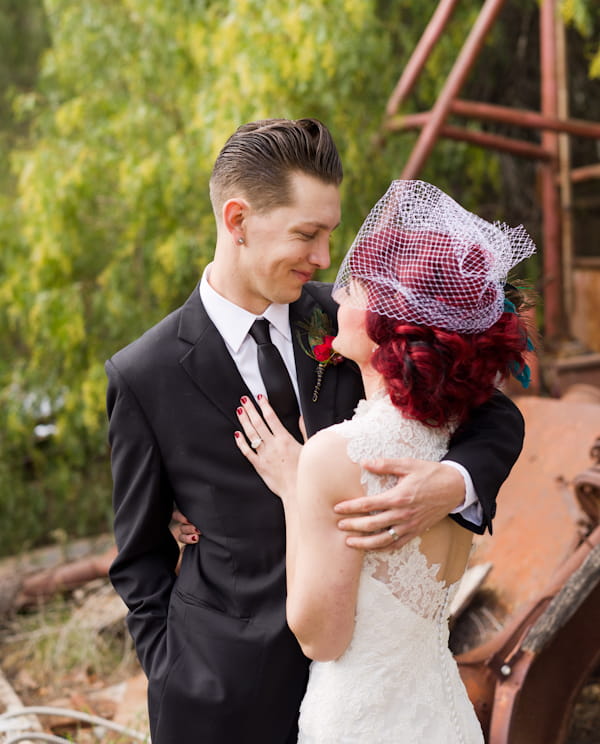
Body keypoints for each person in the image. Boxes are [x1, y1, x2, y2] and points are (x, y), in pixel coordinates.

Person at [106, 118, 525, 744]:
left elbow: (498, 414)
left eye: (331, 233)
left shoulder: (359, 316)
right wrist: (175, 668)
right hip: (224, 697)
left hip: (364, 688)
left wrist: (450, 484)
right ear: (238, 220)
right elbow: (138, 556)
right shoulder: (146, 372)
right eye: (307, 234)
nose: (326, 258)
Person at [233, 178, 536, 742]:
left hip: (360, 722)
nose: (338, 293)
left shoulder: (333, 456)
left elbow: (321, 638)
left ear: (390, 326)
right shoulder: (450, 429)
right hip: (441, 715)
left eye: (358, 288)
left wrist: (297, 489)